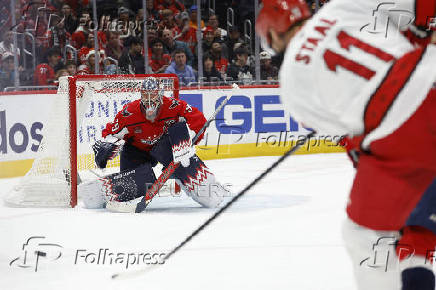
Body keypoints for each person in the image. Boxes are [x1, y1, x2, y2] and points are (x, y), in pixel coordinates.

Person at [256, 0, 436, 290]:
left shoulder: (290, 85)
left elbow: (355, 142)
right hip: (428, 73)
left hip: (401, 131)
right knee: (420, 226)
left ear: (274, 37)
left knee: (365, 235)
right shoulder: (341, 6)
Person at [82, 77, 226, 210]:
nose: (150, 100)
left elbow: (198, 120)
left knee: (179, 138)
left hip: (164, 148)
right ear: (140, 95)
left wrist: (188, 141)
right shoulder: (129, 113)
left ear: (160, 94)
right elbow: (111, 133)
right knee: (138, 180)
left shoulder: (174, 106)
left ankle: (207, 189)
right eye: (145, 95)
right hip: (137, 151)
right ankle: (115, 190)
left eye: (153, 95)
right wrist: (106, 149)